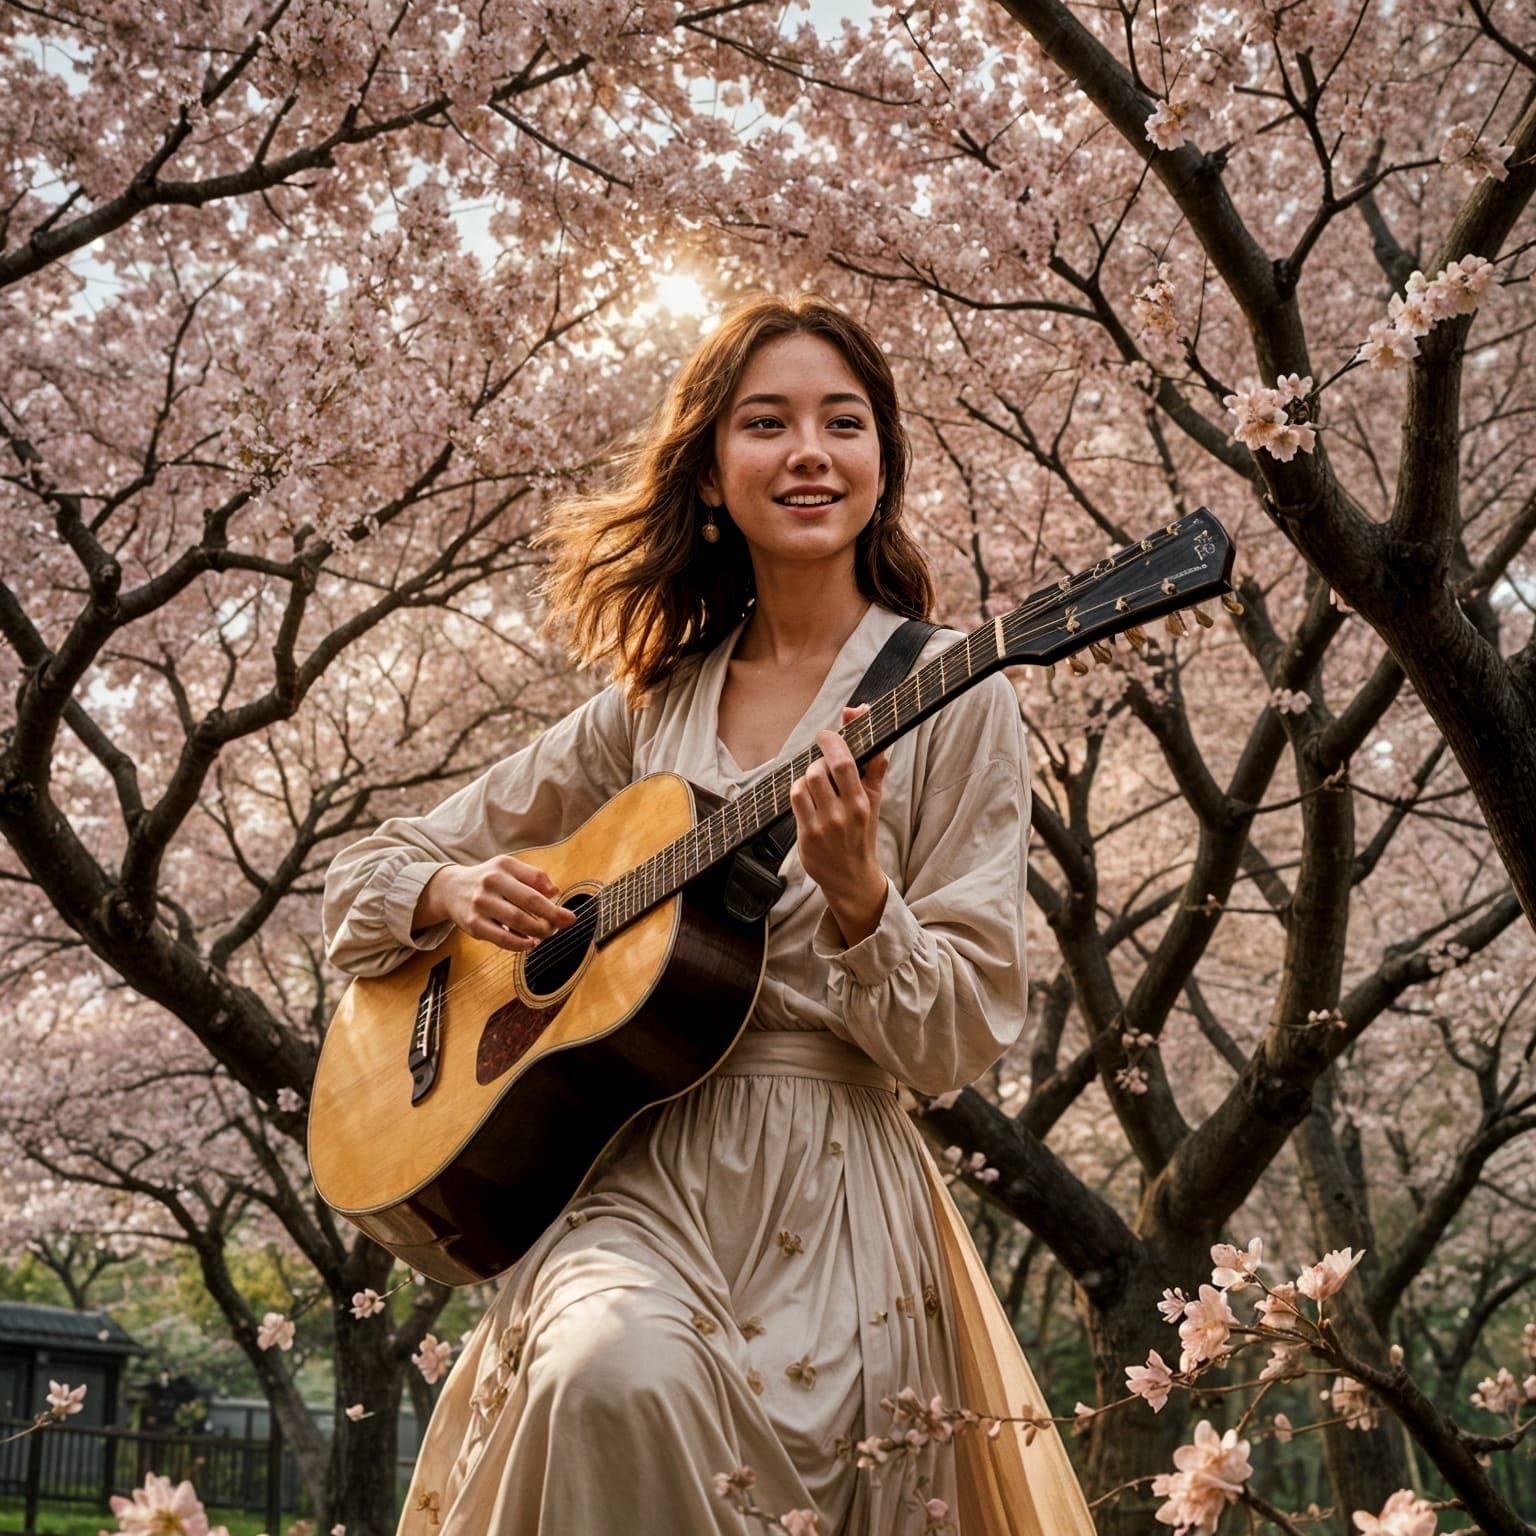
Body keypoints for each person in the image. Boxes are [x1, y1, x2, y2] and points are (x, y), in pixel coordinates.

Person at [323, 295, 1095, 1535]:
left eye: (844, 424)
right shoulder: (649, 707)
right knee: (601, 1375)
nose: (809, 453)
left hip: (834, 1193)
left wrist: (862, 904)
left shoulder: (957, 696)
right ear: (710, 474)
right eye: (767, 424)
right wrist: (449, 888)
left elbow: (956, 1041)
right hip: (633, 1171)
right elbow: (366, 876)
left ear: (882, 463)